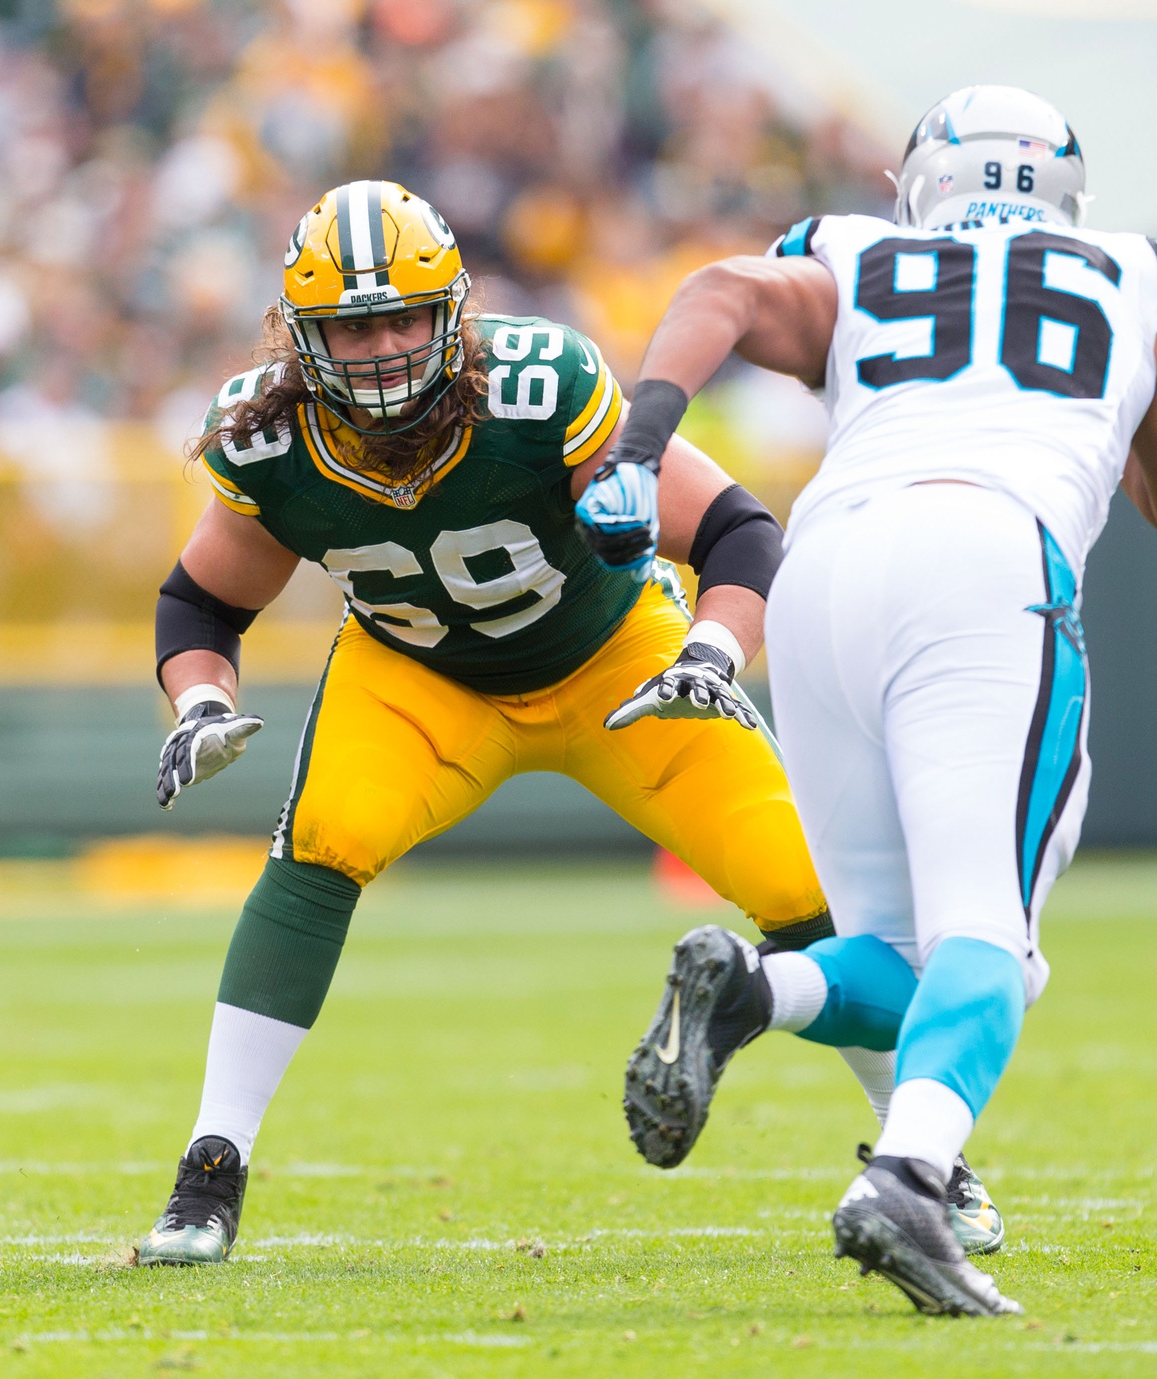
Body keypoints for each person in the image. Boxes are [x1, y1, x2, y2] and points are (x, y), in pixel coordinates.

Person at [137, 179, 967, 1266]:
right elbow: (201, 600)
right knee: (319, 846)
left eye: (400, 318)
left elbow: (735, 532)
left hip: (613, 661)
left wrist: (711, 653)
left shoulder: (538, 386)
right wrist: (201, 700)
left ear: (452, 314)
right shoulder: (268, 433)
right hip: (417, 679)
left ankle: (924, 1168)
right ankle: (210, 1169)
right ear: (301, 338)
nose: (383, 348)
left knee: (805, 887)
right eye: (352, 326)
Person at [581, 88, 1157, 1316]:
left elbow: (717, 290)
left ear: (920, 183)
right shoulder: (1134, 274)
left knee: (889, 949)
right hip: (988, 558)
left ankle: (751, 988)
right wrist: (1133, 405)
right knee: (989, 939)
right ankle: (909, 1176)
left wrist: (636, 446)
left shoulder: (855, 247)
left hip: (824, 568)